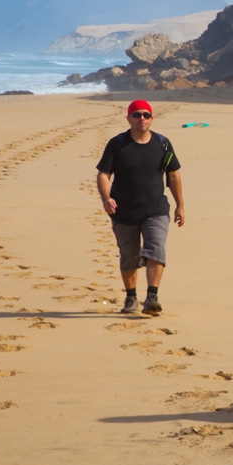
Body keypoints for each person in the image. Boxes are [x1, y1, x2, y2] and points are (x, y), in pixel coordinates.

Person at [96, 100, 185, 314]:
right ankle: (131, 298)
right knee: (130, 256)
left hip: (156, 210)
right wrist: (106, 198)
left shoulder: (163, 143)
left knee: (156, 248)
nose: (142, 118)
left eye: (146, 115)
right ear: (128, 119)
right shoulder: (117, 144)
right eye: (136, 115)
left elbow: (173, 175)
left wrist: (180, 205)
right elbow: (104, 174)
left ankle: (152, 297)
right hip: (123, 211)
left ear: (152, 118)